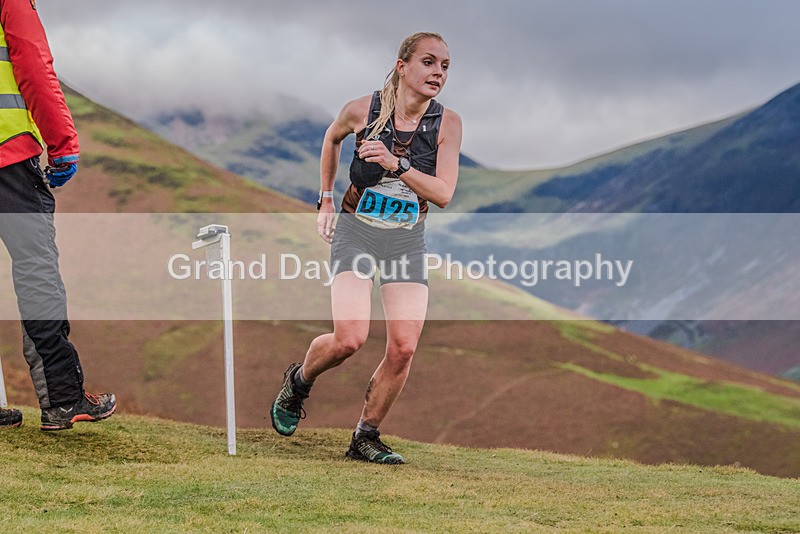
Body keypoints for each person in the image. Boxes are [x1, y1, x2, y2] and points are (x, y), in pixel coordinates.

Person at [270, 32, 462, 464]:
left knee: (404, 347)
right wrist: (325, 198)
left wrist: (398, 164)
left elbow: (444, 193)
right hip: (357, 231)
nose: (438, 73)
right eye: (429, 63)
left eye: (445, 66)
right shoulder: (363, 109)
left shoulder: (448, 124)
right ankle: (298, 382)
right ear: (402, 66)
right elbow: (331, 138)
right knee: (350, 338)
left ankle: (365, 437)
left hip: (406, 239)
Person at [0, 0, 115, 431]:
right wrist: (62, 141)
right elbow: (32, 65)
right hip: (7, 159)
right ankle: (63, 398)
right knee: (36, 272)